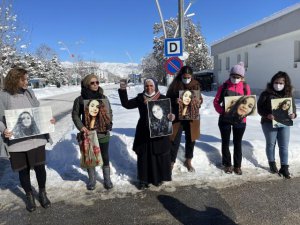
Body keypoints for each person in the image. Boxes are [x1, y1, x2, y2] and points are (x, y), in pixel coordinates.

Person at [0, 67, 55, 212]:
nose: (27, 82)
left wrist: (48, 120)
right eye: (23, 79)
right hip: (17, 142)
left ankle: (42, 193)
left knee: (40, 167)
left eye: (27, 78)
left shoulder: (30, 93)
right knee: (23, 171)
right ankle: (29, 196)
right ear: (14, 79)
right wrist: (3, 130)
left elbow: (38, 112)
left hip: (36, 139)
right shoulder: (4, 96)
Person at [118, 78, 173, 190]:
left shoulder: (163, 98)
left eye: (151, 86)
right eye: (147, 86)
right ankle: (143, 180)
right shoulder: (140, 98)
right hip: (143, 131)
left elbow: (171, 113)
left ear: (155, 86)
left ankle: (157, 178)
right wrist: (123, 90)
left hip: (158, 131)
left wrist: (172, 116)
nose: (149, 88)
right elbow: (126, 104)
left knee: (157, 154)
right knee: (144, 155)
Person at [72, 74, 113, 190]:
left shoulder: (103, 98)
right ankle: (92, 179)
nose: (95, 85)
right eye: (92, 83)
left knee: (105, 156)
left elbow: (109, 111)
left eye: (97, 82)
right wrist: (81, 127)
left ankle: (107, 179)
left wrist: (109, 122)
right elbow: (75, 115)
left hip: (103, 133)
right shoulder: (80, 100)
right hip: (88, 133)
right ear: (86, 84)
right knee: (90, 156)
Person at [213, 62, 251, 175]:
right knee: (225, 142)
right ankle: (227, 164)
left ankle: (237, 166)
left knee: (237, 143)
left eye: (238, 77)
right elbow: (216, 102)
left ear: (242, 77)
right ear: (230, 75)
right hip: (225, 119)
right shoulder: (224, 86)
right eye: (233, 76)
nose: (235, 79)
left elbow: (249, 104)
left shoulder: (245, 87)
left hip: (240, 121)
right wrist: (222, 111)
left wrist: (246, 112)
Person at [257, 71, 297, 178]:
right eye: (276, 82)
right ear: (272, 82)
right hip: (268, 123)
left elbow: (293, 108)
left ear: (285, 84)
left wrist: (293, 114)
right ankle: (272, 163)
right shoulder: (266, 94)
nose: (278, 85)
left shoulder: (288, 94)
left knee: (284, 146)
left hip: (284, 123)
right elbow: (259, 108)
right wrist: (267, 115)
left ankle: (284, 167)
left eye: (281, 83)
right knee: (271, 144)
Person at [166, 65, 203, 172]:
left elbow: (200, 98)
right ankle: (171, 160)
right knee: (174, 139)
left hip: (192, 117)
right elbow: (167, 99)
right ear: (181, 75)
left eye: (188, 77)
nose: (186, 79)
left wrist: (199, 101)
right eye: (184, 77)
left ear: (191, 76)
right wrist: (174, 101)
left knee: (191, 139)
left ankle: (188, 160)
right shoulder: (175, 85)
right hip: (178, 117)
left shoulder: (196, 85)